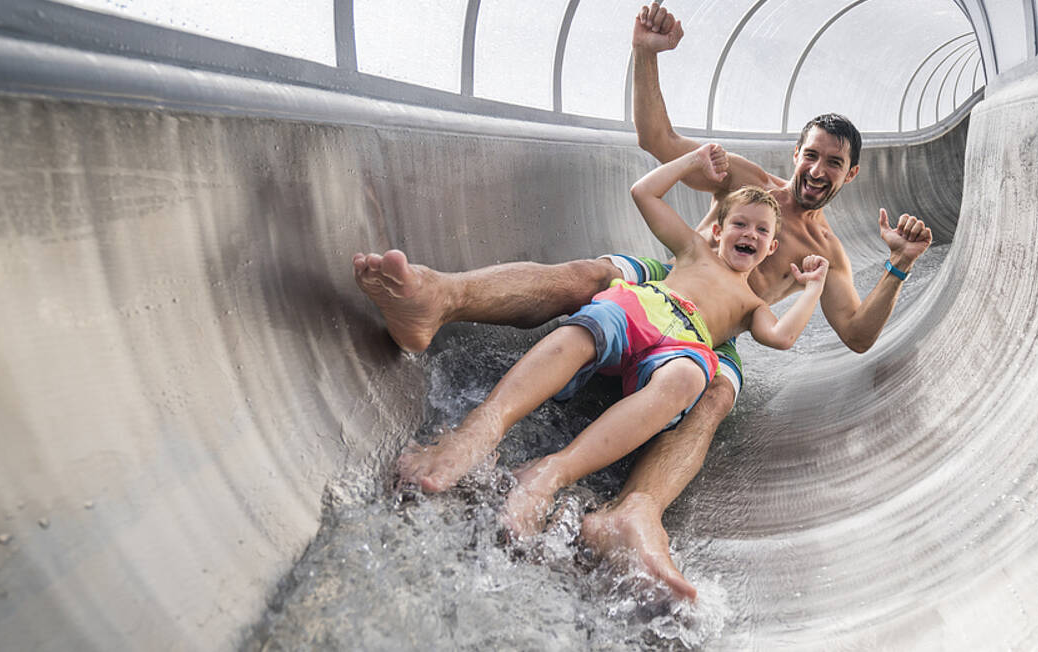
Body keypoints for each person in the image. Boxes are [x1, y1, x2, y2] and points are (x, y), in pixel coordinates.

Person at [359, 2, 933, 600]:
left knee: (712, 396)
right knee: (589, 275)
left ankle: (634, 512)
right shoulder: (745, 182)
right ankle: (440, 298)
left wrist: (898, 265)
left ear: (853, 175)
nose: (817, 169)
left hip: (719, 329)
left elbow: (858, 332)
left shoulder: (827, 251)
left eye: (833, 163)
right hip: (672, 273)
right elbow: (655, 140)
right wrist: (645, 54)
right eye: (810, 154)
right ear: (796, 153)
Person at [397, 143, 829, 544]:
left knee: (686, 380)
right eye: (739, 223)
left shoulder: (751, 304)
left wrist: (812, 289)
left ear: (772, 247)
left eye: (760, 231)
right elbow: (645, 193)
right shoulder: (694, 251)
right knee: (591, 326)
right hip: (645, 305)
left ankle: (551, 473)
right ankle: (484, 427)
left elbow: (782, 337)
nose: (748, 234)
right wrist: (691, 163)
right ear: (718, 230)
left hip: (685, 343)